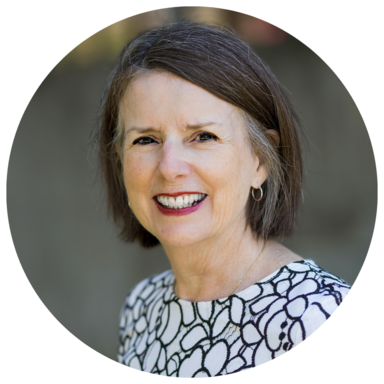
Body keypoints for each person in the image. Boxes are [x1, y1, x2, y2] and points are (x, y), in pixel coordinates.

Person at [94, 21, 350, 377]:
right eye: (146, 140)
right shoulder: (142, 308)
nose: (169, 168)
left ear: (260, 160)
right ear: (120, 160)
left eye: (203, 136)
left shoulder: (319, 318)